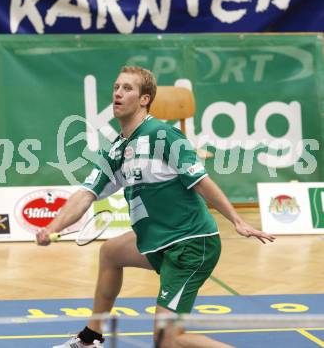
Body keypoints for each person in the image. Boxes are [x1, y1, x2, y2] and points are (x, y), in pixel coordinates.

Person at [37, 66, 275, 348]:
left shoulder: (163, 136)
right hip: (158, 239)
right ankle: (91, 337)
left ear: (144, 99)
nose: (117, 93)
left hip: (189, 244)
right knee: (111, 253)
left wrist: (237, 221)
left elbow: (201, 181)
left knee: (167, 340)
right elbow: (85, 194)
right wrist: (52, 226)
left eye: (127, 88)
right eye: (116, 87)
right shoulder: (116, 150)